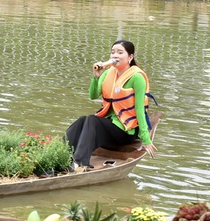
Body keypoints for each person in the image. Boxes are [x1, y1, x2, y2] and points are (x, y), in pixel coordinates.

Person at [65, 40, 156, 170]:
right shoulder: (108, 72)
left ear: (130, 57)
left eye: (120, 52)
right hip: (110, 126)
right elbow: (93, 95)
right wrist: (96, 77)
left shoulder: (137, 77)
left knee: (92, 120)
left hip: (126, 131)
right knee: (83, 120)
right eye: (113, 52)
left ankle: (80, 162)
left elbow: (139, 110)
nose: (115, 56)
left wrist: (146, 139)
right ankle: (61, 155)